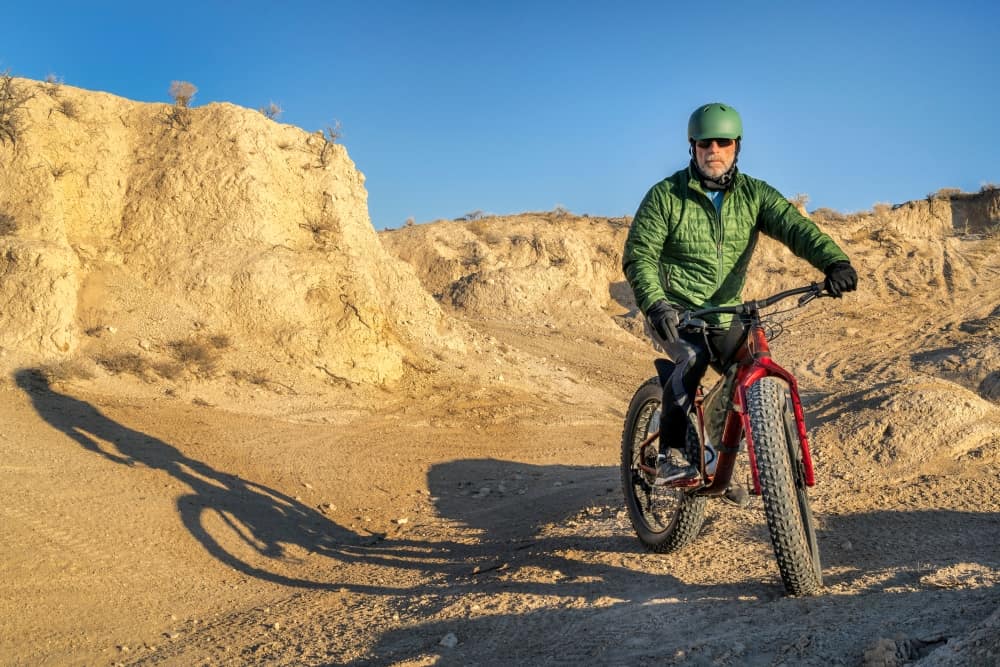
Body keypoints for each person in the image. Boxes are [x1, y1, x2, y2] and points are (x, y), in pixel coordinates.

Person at [622, 102, 858, 489]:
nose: (713, 150)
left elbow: (796, 228)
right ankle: (671, 454)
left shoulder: (755, 195)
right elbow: (639, 256)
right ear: (692, 147)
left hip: (723, 313)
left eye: (722, 142)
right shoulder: (666, 196)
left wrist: (834, 262)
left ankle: (713, 453)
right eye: (704, 143)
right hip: (674, 310)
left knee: (748, 365)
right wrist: (655, 302)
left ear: (737, 147)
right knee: (693, 358)